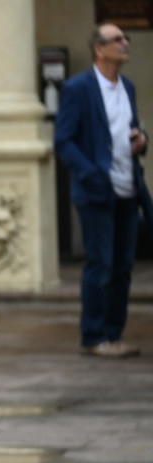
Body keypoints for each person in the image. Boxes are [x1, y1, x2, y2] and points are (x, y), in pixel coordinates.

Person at [54, 23, 153, 358]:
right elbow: (63, 140)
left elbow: (129, 129)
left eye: (126, 38)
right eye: (117, 40)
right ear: (99, 48)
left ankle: (114, 334)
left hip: (128, 188)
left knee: (124, 265)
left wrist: (141, 140)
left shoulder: (128, 86)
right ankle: (93, 337)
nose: (126, 44)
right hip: (97, 191)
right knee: (101, 265)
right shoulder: (78, 88)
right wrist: (90, 173)